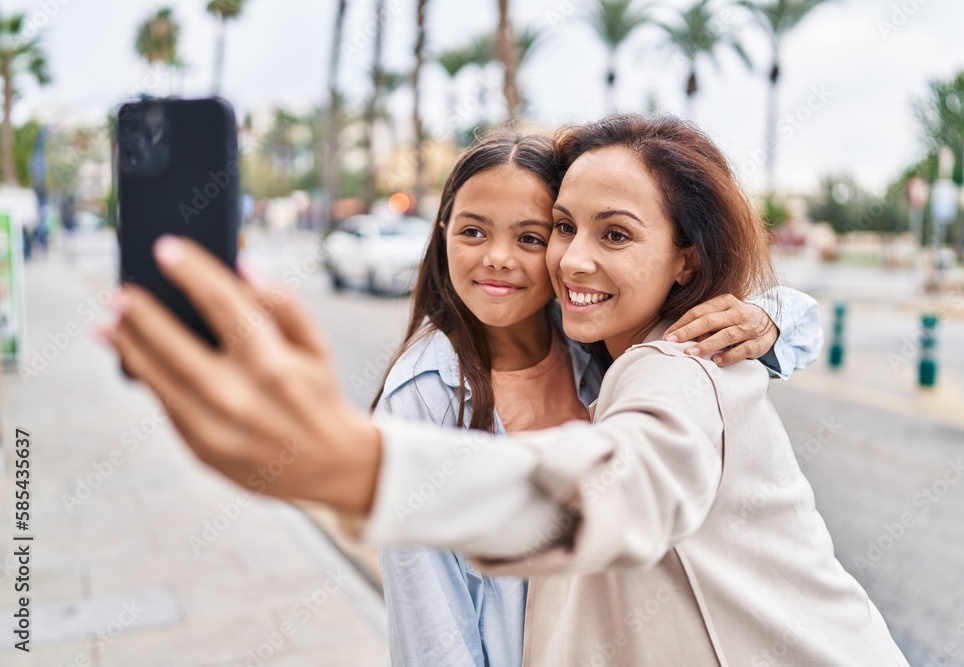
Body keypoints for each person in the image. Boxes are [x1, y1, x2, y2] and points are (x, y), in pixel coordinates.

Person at [99, 114, 907, 665]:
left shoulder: (662, 360)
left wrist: (364, 468)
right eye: (563, 227)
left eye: (607, 233)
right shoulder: (440, 389)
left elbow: (625, 485)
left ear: (687, 259)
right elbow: (432, 633)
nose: (565, 259)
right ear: (440, 232)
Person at [371, 131, 821, 666]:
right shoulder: (423, 398)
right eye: (472, 231)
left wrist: (766, 316)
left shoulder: (592, 339)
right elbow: (431, 632)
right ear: (441, 233)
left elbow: (791, 322)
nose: (497, 258)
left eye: (534, 237)